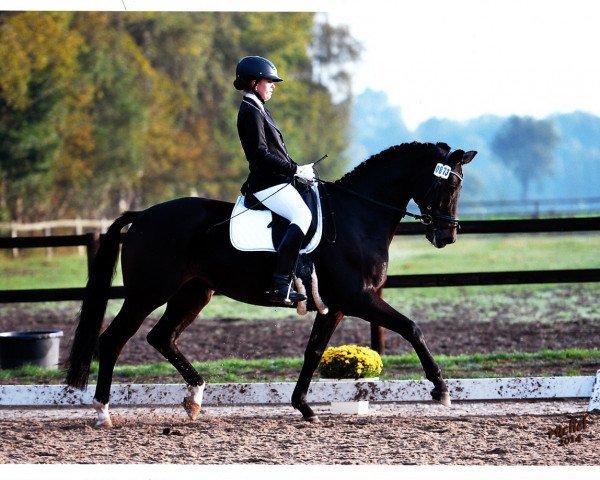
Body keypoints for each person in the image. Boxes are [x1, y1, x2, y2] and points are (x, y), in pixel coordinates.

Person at [234, 55, 316, 305]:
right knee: (303, 216)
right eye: (270, 81)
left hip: (278, 180)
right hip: (267, 184)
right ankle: (281, 284)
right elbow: (260, 154)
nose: (273, 85)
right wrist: (294, 169)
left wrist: (300, 171)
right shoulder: (250, 111)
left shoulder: (260, 109)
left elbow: (276, 150)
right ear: (255, 82)